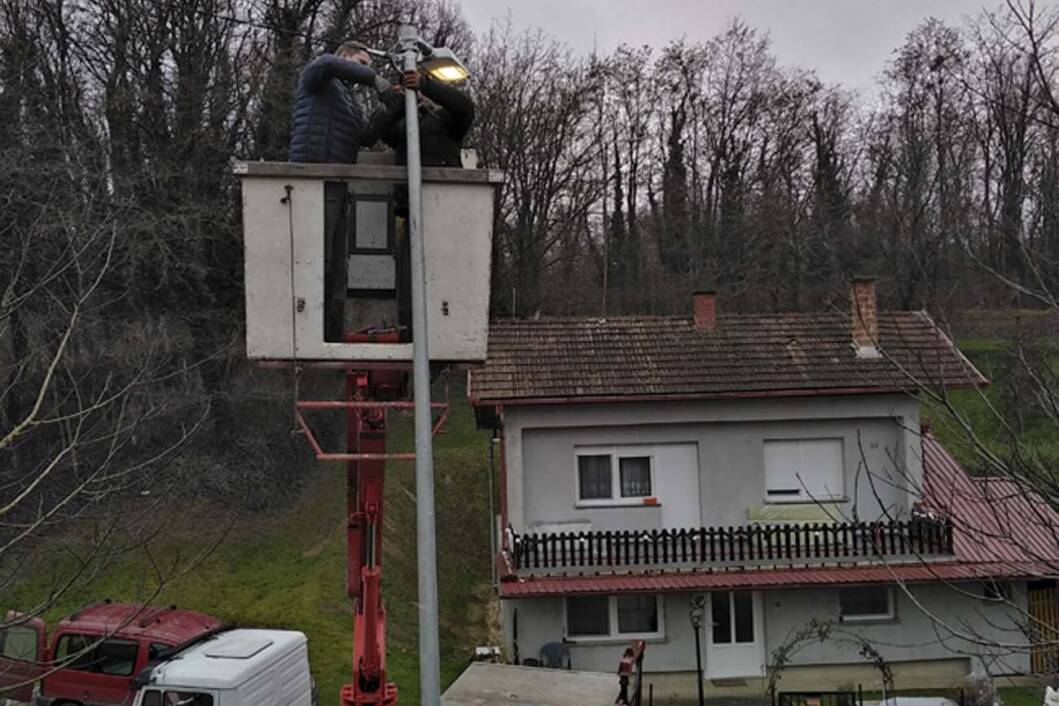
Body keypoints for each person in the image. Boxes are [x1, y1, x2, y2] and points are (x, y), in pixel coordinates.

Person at [289, 40, 393, 341]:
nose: (363, 72)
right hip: (315, 178)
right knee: (315, 261)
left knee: (335, 266)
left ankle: (329, 334)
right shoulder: (319, 76)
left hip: (337, 183)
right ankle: (308, 333)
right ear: (343, 57)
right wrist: (375, 80)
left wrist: (393, 108)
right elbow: (326, 63)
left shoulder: (349, 100)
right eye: (360, 64)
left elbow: (366, 136)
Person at [364, 70, 475, 339]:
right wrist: (397, 102)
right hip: (409, 210)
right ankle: (410, 332)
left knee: (444, 272)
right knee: (408, 276)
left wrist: (427, 85)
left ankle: (446, 330)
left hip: (444, 207)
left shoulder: (446, 121)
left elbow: (464, 106)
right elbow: (374, 132)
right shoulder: (403, 128)